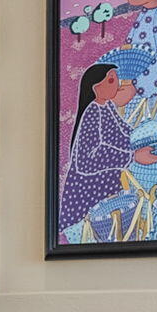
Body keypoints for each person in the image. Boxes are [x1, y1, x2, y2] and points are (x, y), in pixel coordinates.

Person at [58, 58, 138, 235]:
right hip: (88, 191)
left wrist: (140, 139)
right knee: (95, 230)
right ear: (95, 88)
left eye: (116, 78)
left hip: (108, 184)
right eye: (110, 80)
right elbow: (86, 161)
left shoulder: (107, 106)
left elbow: (123, 132)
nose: (117, 84)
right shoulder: (92, 113)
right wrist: (130, 157)